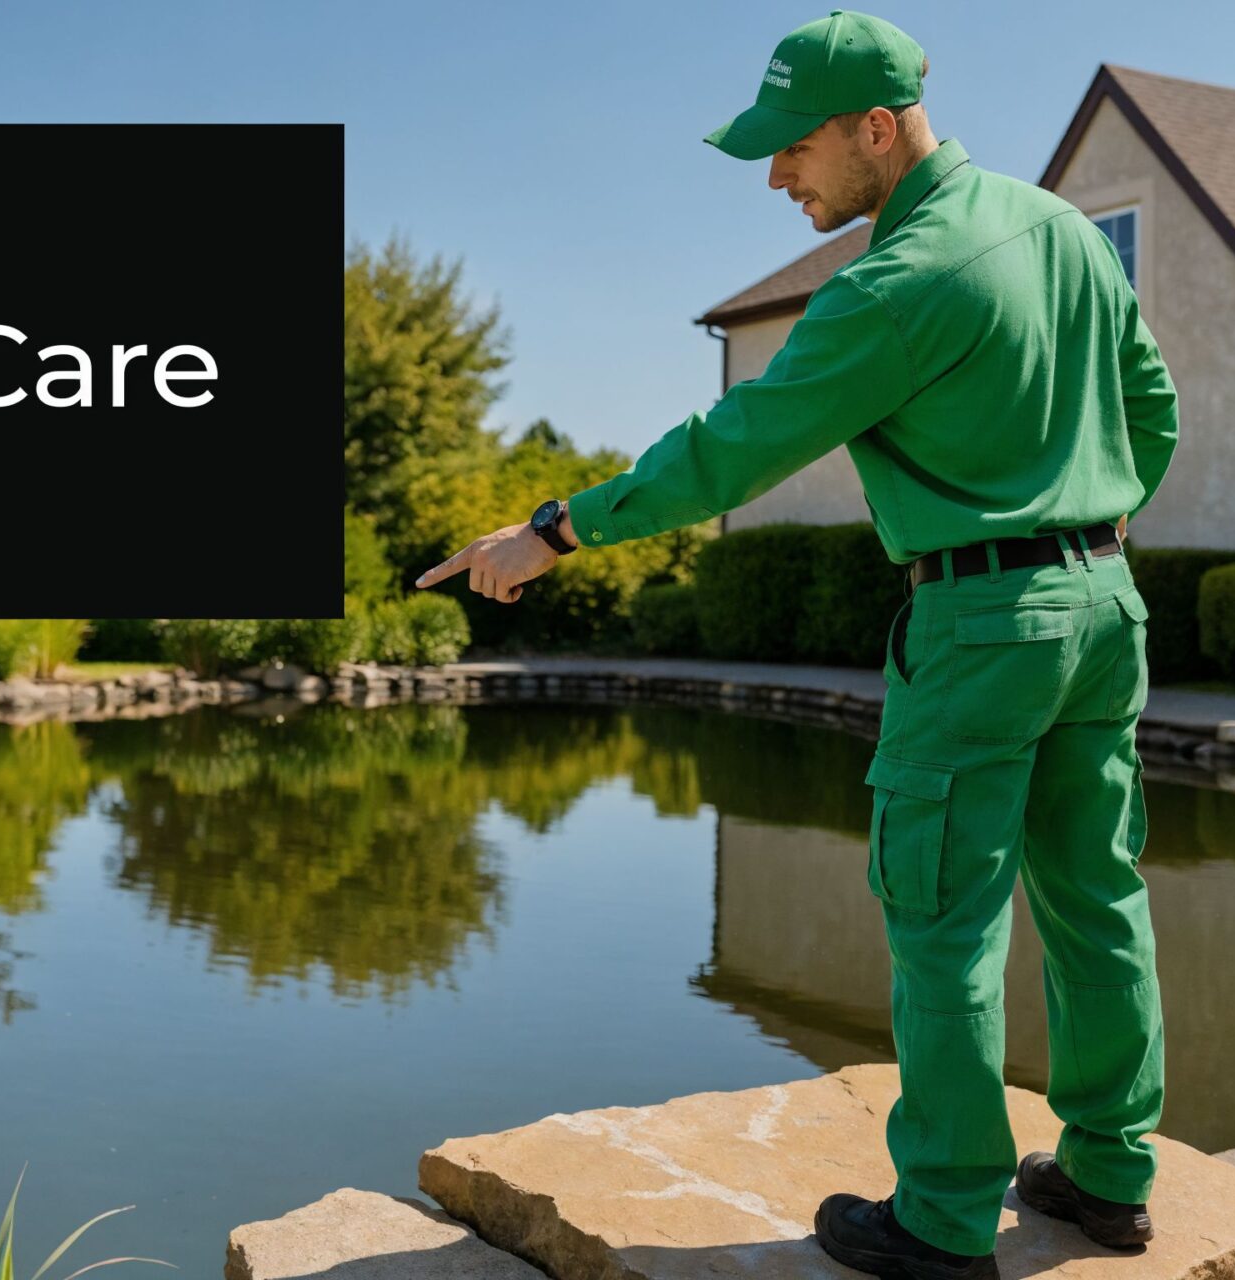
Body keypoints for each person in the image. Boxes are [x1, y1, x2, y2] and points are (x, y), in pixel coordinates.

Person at [413, 10, 1180, 1278]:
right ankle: (1109, 1171)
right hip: (1103, 606)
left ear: (877, 129)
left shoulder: (898, 280)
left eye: (794, 148)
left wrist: (558, 527)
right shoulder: (1063, 232)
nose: (779, 175)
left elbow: (742, 440)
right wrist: (1072, 517)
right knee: (1097, 894)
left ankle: (941, 1215)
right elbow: (1148, 408)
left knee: (943, 914)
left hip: (984, 622)